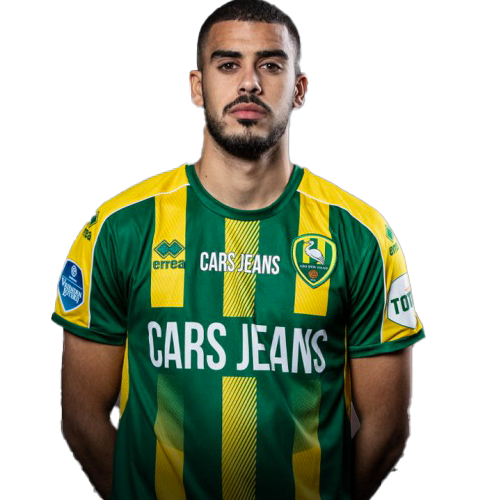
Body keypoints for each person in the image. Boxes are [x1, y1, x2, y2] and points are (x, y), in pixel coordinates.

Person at [52, 1, 426, 499]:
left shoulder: (363, 236)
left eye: (270, 65)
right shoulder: (118, 228)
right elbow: (82, 418)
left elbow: (387, 431)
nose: (249, 83)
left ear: (298, 89)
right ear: (197, 85)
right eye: (228, 64)